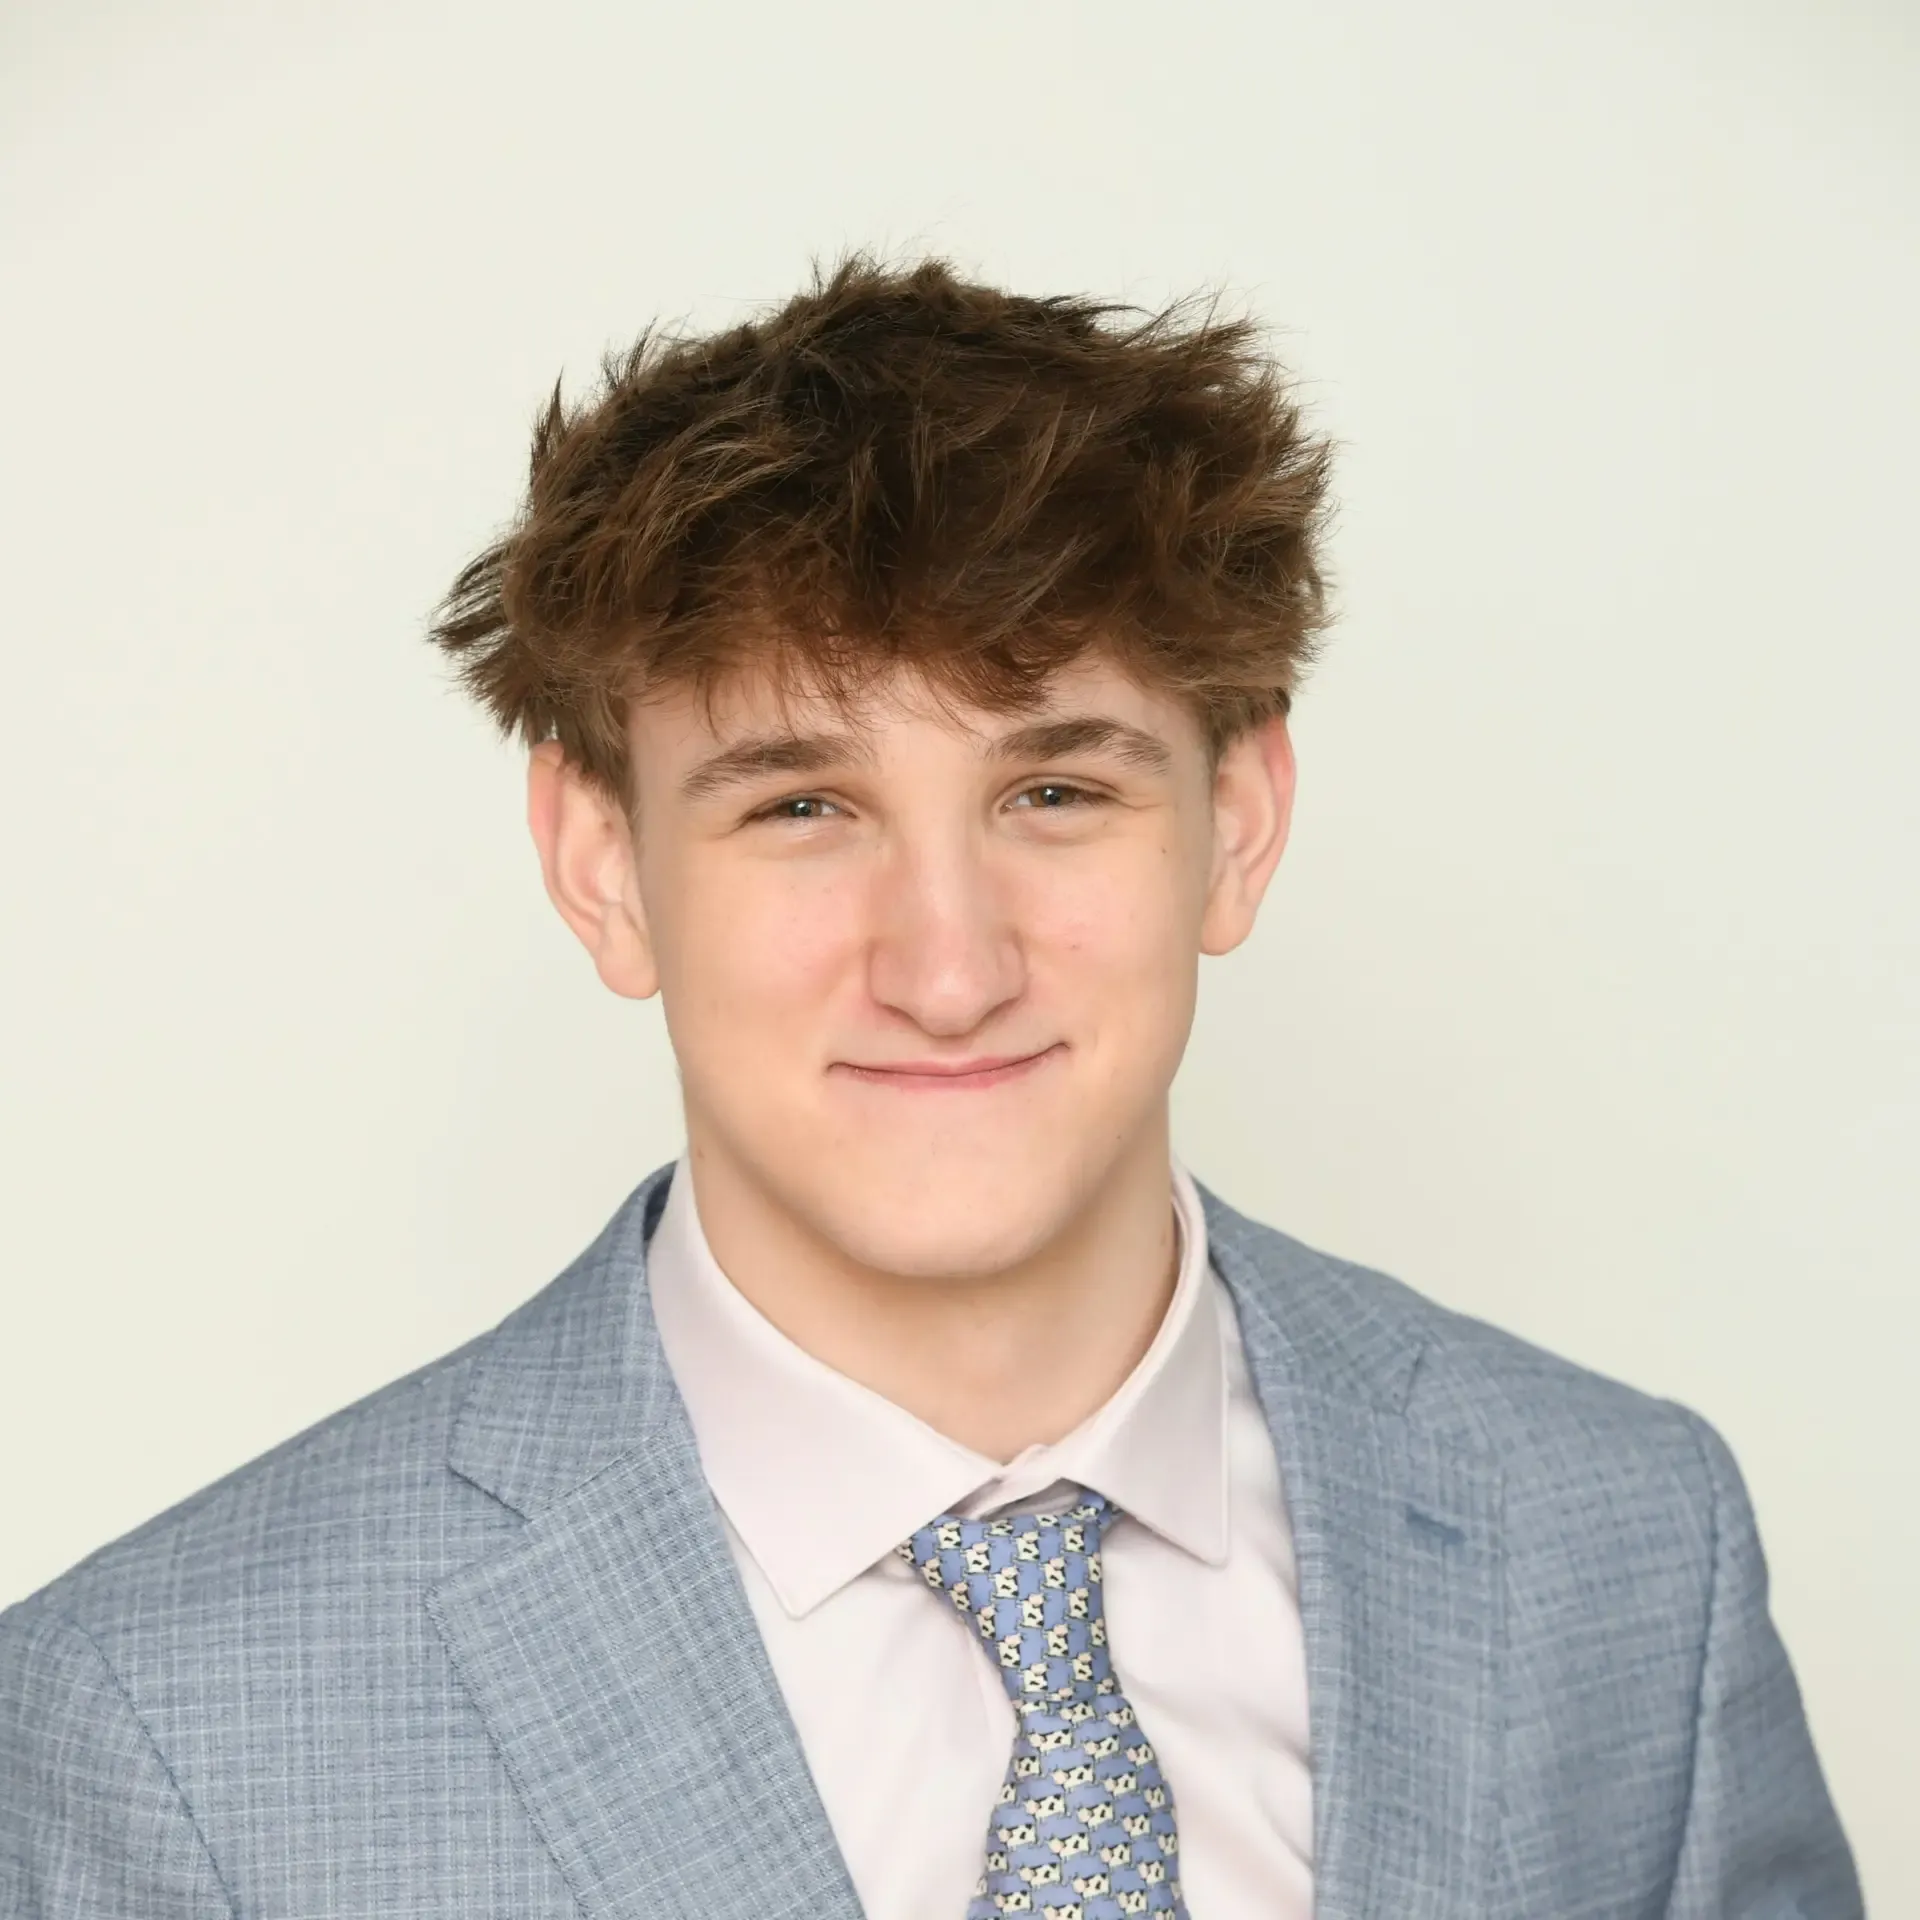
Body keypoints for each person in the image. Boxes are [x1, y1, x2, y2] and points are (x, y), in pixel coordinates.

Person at [0, 257, 1862, 1920]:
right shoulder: (160, 1723)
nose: (950, 968)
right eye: (802, 807)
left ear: (1241, 823)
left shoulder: (1628, 1550)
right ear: (601, 864)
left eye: (1057, 792)